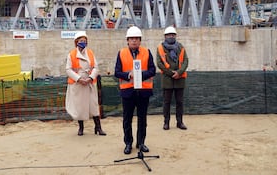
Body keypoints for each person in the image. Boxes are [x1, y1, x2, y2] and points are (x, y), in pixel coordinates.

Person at [114, 26, 156, 154]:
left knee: (142, 119)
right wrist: (128, 75)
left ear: (140, 40)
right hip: (128, 92)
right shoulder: (121, 53)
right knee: (127, 119)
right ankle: (128, 143)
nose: (134, 41)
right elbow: (117, 72)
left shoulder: (147, 52)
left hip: (143, 92)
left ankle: (141, 142)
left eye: (137, 38)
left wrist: (140, 74)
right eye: (132, 38)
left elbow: (152, 70)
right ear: (127, 40)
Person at [65, 31, 106, 136]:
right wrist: (79, 79)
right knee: (80, 106)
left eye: (84, 40)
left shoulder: (90, 53)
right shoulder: (72, 54)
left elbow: (96, 67)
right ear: (76, 42)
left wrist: (91, 78)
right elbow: (68, 69)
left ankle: (98, 127)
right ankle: (81, 128)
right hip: (78, 84)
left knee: (94, 105)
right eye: (81, 41)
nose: (83, 42)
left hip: (90, 83)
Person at [156, 26, 189, 130]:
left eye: (173, 35)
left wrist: (179, 72)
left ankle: (180, 122)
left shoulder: (181, 47)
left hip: (180, 79)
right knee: (167, 102)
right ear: (165, 36)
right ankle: (166, 123)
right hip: (167, 80)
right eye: (169, 35)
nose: (171, 36)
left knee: (180, 102)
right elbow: (159, 63)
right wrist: (171, 73)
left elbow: (185, 61)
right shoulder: (160, 48)